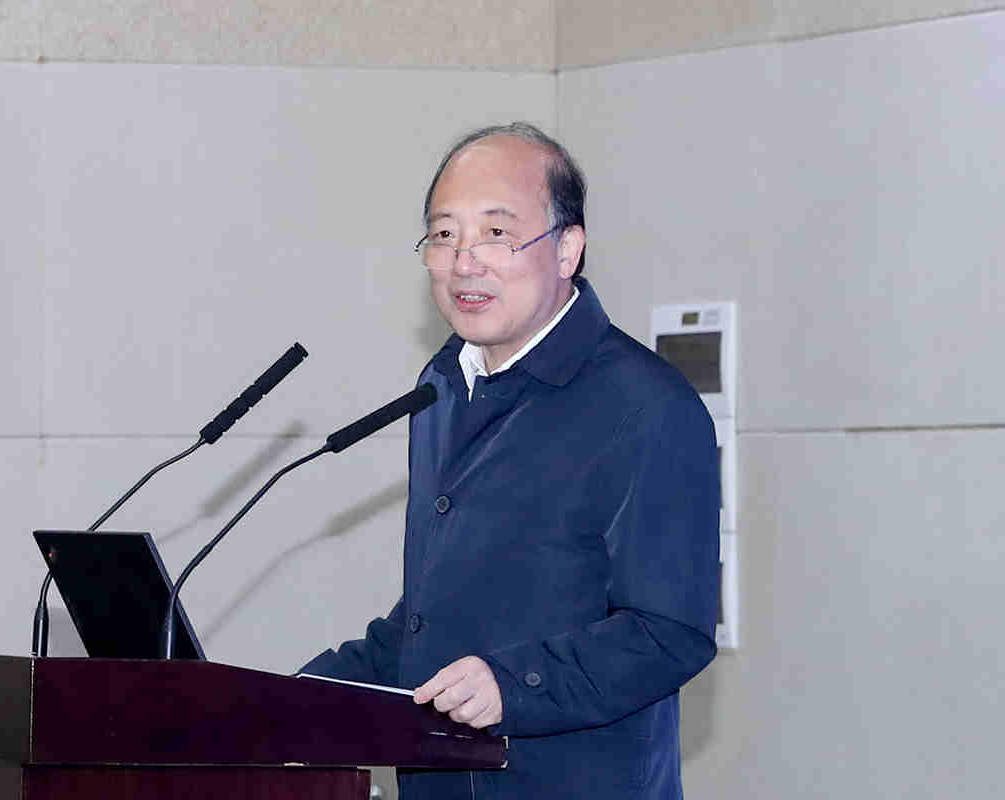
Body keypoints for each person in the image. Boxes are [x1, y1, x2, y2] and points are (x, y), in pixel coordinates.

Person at [303, 122, 720, 799]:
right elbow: (438, 619)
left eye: (497, 233)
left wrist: (514, 685)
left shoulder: (645, 406)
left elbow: (669, 632)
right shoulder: (442, 387)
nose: (465, 262)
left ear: (567, 249)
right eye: (444, 235)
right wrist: (296, 699)